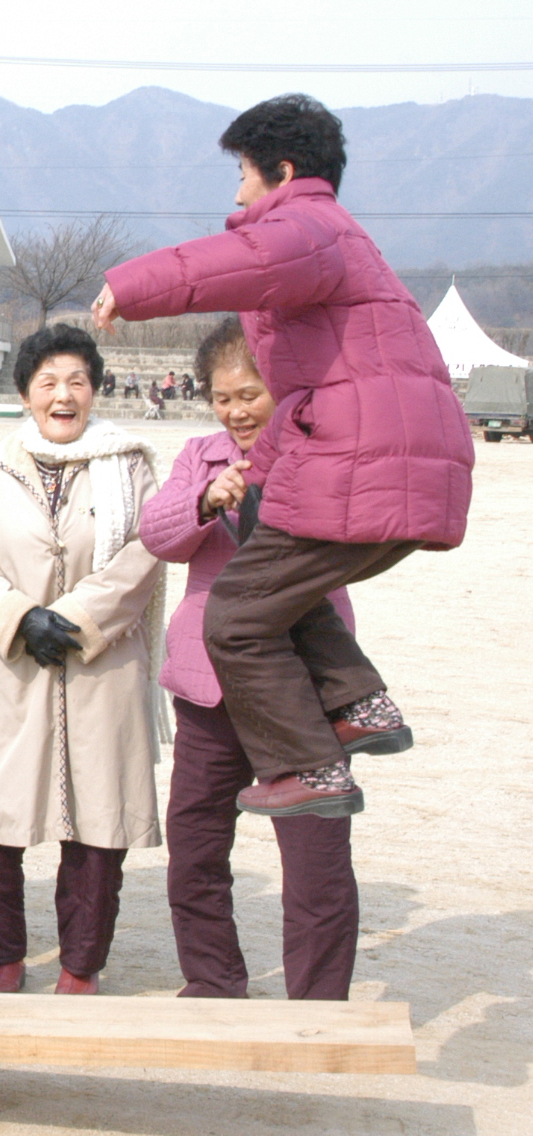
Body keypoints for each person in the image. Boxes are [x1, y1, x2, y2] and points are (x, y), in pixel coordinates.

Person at [95, 93, 472, 817]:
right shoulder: (340, 241)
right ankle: (362, 706)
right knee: (281, 588)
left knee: (234, 615)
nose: (236, 191)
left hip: (366, 462)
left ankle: (310, 768)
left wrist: (128, 285)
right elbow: (312, 392)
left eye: (241, 172)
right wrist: (259, 470)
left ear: (282, 170)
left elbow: (244, 259)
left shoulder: (306, 226)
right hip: (392, 460)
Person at [141, 319, 360, 999]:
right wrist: (206, 500)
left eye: (249, 394)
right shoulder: (199, 457)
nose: (234, 410)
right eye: (221, 397)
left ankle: (318, 1002)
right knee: (196, 846)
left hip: (297, 688)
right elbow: (157, 532)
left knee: (315, 854)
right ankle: (212, 984)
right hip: (209, 688)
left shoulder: (325, 451)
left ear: (285, 388)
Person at [0, 323, 164, 996]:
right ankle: (2, 955)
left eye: (75, 381)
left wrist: (69, 620)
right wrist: (19, 618)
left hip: (100, 663)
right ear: (24, 394)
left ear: (94, 390)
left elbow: (146, 553)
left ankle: (79, 965)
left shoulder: (130, 464)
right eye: (47, 382)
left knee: (98, 821)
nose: (62, 394)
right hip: (12, 664)